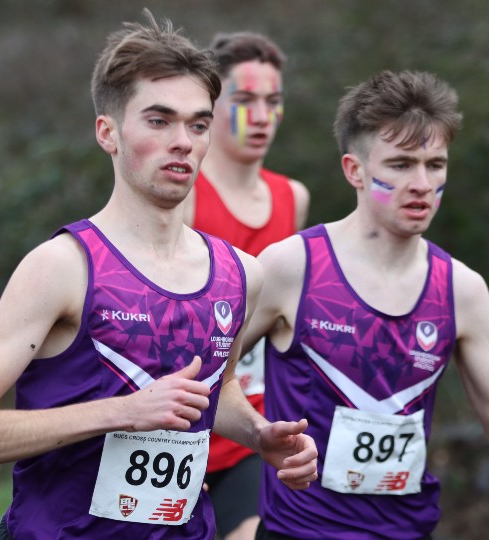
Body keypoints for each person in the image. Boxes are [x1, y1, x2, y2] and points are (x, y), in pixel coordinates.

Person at [0, 10, 317, 540]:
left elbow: (214, 392)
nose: (183, 141)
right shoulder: (60, 267)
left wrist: (259, 434)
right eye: (159, 121)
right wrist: (122, 412)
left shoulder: (239, 274)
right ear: (107, 133)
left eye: (197, 124)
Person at [245, 70, 489, 540]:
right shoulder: (291, 268)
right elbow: (208, 380)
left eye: (436, 164)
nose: (423, 183)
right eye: (402, 164)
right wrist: (253, 434)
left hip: (410, 532)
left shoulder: (462, 290)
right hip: (298, 532)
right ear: (355, 170)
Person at [182, 31, 309, 540]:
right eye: (244, 101)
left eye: (272, 102)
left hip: (250, 432)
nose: (261, 116)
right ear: (212, 106)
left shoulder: (291, 198)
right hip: (175, 433)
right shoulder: (184, 194)